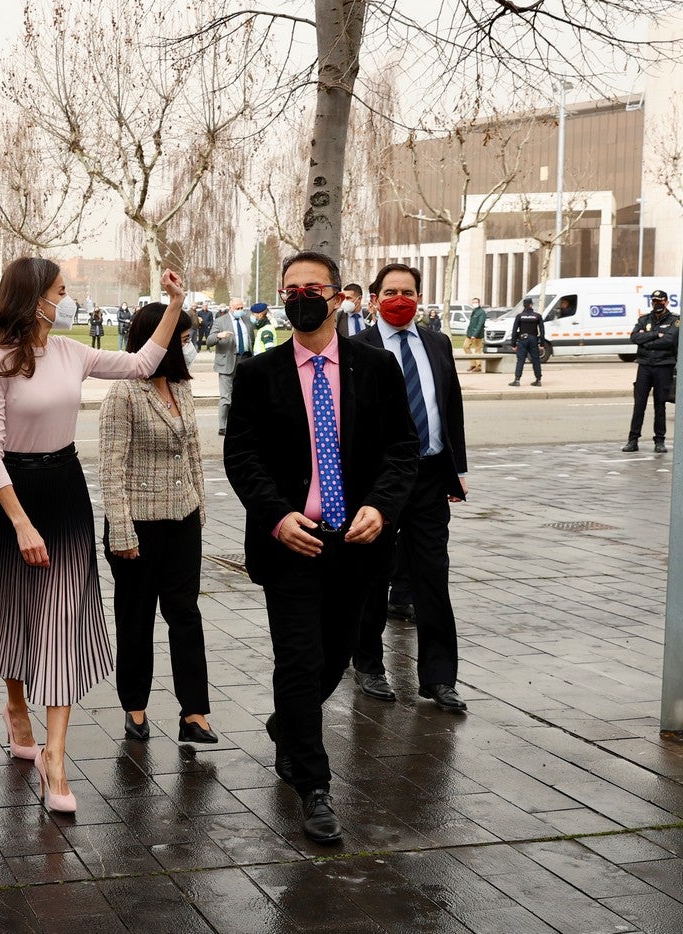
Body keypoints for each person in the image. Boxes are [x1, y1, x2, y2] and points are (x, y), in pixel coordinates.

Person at [0, 257, 187, 815]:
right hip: (16, 498)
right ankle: (17, 709)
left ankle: (56, 758)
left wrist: (174, 305)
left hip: (66, 493)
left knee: (63, 620)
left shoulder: (72, 352)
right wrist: (19, 522)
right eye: (62, 290)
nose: (69, 299)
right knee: (17, 612)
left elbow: (142, 363)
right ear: (35, 297)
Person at [223, 251, 417, 843]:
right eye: (290, 288)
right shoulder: (258, 374)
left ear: (336, 298)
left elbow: (402, 450)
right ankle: (313, 785)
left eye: (312, 287)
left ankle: (290, 722)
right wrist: (276, 515)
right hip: (292, 544)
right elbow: (242, 457)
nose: (300, 296)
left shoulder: (375, 367)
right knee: (300, 659)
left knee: (337, 653)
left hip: (357, 544)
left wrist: (381, 507)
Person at [351, 264, 468, 713]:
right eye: (391, 291)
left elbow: (449, 405)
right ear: (375, 298)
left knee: (432, 577)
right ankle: (368, 664)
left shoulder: (437, 343)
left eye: (409, 291)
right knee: (372, 575)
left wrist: (456, 469)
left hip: (430, 476)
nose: (401, 298)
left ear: (420, 297)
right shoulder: (357, 347)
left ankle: (440, 678)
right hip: (377, 482)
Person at [99, 304, 217, 745]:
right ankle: (135, 707)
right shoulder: (124, 393)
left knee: (185, 613)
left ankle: (195, 712)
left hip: (182, 520)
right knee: (136, 618)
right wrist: (122, 531)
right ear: (159, 340)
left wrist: (199, 510)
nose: (188, 346)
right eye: (182, 339)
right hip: (139, 529)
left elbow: (193, 454)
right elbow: (110, 468)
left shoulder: (182, 388)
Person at [623, 289, 678, 453]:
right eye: (654, 301)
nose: (657, 304)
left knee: (660, 405)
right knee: (639, 405)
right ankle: (633, 440)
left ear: (666, 302)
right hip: (645, 366)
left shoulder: (675, 320)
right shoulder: (644, 319)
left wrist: (647, 339)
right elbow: (634, 337)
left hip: (664, 366)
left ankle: (659, 441)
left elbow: (670, 340)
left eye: (660, 301)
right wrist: (656, 335)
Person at [210, 296, 254, 436]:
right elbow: (209, 341)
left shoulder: (246, 320)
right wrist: (219, 336)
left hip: (245, 360)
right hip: (227, 362)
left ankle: (241, 424)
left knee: (244, 395)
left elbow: (251, 338)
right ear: (231, 308)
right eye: (237, 308)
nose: (240, 311)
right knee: (226, 397)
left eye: (242, 308)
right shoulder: (220, 321)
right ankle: (223, 426)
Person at [509, 297, 544, 387]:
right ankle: (538, 380)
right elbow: (542, 331)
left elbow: (514, 330)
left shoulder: (520, 316)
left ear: (524, 305)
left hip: (523, 339)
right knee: (536, 360)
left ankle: (517, 380)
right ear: (531, 305)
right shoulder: (537, 316)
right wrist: (542, 343)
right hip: (533, 339)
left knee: (520, 360)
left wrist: (513, 344)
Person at [464, 298, 488, 372]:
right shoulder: (474, 311)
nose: (474, 303)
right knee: (465, 347)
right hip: (470, 333)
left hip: (477, 335)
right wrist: (470, 333)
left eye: (476, 302)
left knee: (477, 349)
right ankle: (473, 364)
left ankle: (478, 366)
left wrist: (474, 334)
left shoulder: (482, 312)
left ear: (479, 303)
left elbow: (480, 324)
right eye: (473, 302)